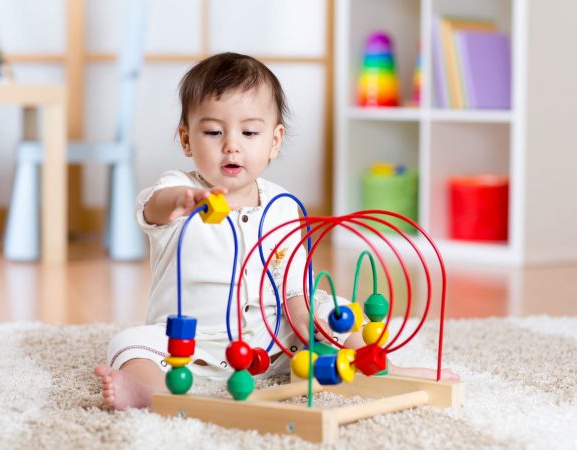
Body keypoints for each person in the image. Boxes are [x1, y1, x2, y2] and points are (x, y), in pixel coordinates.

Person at [94, 52, 459, 410]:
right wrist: (183, 201)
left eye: (250, 131)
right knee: (130, 344)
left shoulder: (282, 206)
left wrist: (301, 316)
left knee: (339, 311)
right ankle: (149, 393)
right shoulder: (178, 190)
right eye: (213, 131)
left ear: (274, 141)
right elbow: (152, 206)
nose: (231, 144)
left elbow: (294, 279)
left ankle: (386, 370)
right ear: (187, 139)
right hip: (191, 347)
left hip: (275, 343)